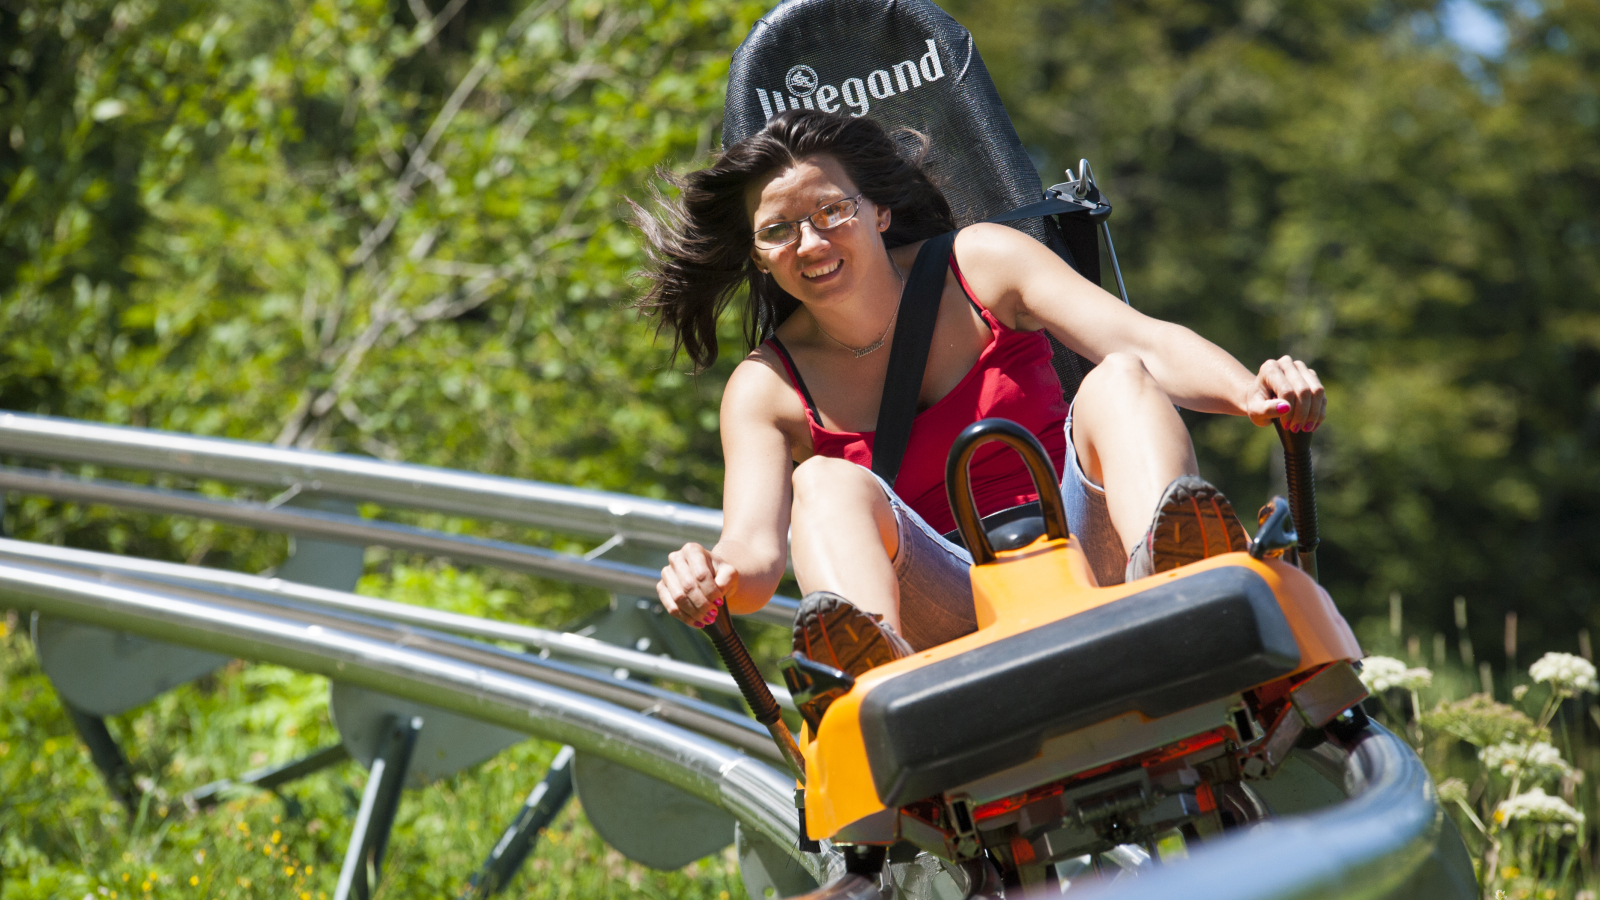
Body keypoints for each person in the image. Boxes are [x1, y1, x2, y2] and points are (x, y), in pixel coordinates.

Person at [635, 110, 1324, 681]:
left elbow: (1142, 342)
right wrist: (714, 576)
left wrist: (1250, 391)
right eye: (778, 231)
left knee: (1116, 378)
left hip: (1085, 543)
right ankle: (874, 680)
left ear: (877, 210)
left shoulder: (982, 264)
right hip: (943, 598)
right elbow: (754, 551)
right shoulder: (766, 388)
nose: (811, 242)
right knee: (821, 480)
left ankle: (1179, 578)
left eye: (831, 210)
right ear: (757, 254)